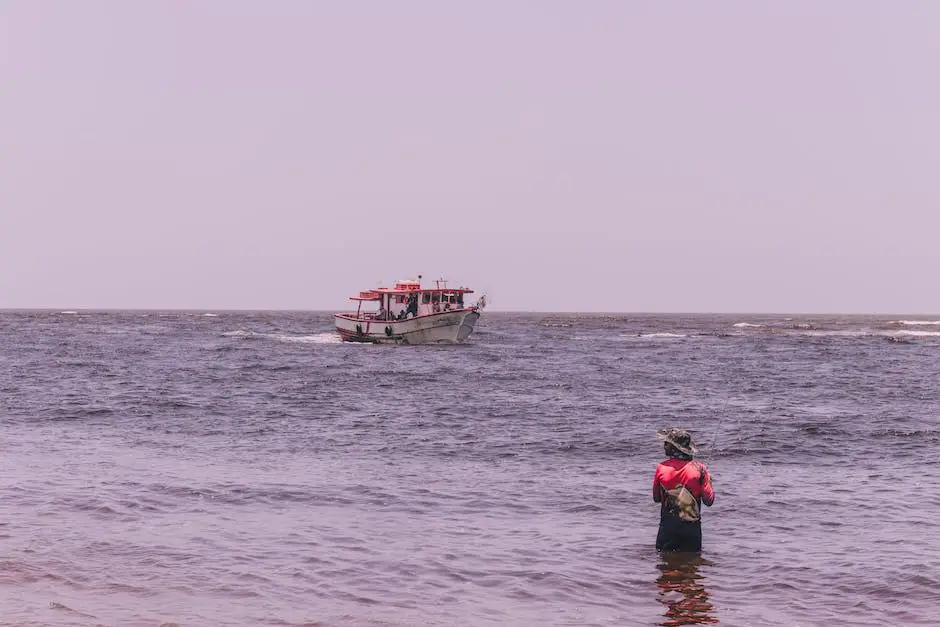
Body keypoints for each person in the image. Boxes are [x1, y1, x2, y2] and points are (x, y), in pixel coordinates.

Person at [653, 428, 715, 552]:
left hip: (667, 528)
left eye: (667, 444)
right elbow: (709, 501)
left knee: (666, 565)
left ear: (674, 448)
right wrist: (708, 481)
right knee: (692, 567)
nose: (664, 446)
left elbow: (656, 498)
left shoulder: (661, 468)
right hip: (691, 530)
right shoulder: (700, 469)